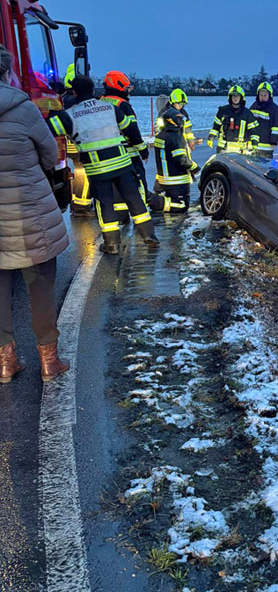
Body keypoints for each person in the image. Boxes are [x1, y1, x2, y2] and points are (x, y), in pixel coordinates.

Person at [0, 45, 70, 383]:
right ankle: (49, 362)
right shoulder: (24, 109)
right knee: (40, 288)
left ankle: (6, 363)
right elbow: (49, 154)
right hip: (30, 216)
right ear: (7, 72)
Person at [48, 76, 159, 255]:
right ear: (93, 90)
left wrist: (55, 100)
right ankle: (149, 237)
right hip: (122, 163)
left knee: (105, 204)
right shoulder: (110, 108)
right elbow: (130, 129)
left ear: (74, 92)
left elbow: (47, 127)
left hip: (98, 169)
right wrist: (142, 150)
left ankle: (112, 244)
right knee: (134, 199)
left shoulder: (69, 115)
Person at [101, 71, 150, 215]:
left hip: (106, 153)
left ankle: (119, 215)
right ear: (120, 86)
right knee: (138, 184)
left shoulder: (100, 101)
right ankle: (141, 214)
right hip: (128, 153)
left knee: (112, 187)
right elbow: (132, 131)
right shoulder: (123, 105)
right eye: (127, 88)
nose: (128, 91)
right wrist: (143, 150)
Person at [62, 64, 93, 216]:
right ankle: (81, 206)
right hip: (77, 143)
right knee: (83, 172)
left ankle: (76, 202)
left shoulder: (63, 98)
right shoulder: (75, 101)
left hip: (67, 143)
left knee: (77, 172)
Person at [149, 108, 192, 213]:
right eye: (178, 118)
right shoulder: (175, 137)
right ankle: (151, 200)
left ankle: (155, 200)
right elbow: (180, 159)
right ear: (170, 120)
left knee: (171, 200)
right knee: (182, 206)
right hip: (176, 180)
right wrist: (194, 167)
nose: (181, 121)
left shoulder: (161, 136)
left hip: (163, 178)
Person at [208, 85, 259, 153]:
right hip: (223, 149)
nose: (235, 98)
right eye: (233, 96)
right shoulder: (222, 111)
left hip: (241, 150)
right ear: (230, 97)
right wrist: (211, 137)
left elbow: (254, 131)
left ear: (241, 97)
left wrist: (254, 143)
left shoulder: (248, 114)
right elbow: (216, 127)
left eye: (237, 96)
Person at [166, 88, 200, 176]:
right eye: (179, 104)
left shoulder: (183, 113)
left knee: (184, 162)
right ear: (172, 102)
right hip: (171, 144)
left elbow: (188, 128)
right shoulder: (165, 113)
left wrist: (191, 141)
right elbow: (159, 129)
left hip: (182, 143)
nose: (181, 106)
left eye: (182, 104)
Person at [249, 81, 278, 158]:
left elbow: (276, 127)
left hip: (266, 146)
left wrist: (273, 141)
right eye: (261, 95)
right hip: (253, 145)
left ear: (270, 95)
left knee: (266, 164)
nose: (263, 97)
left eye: (265, 95)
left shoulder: (275, 109)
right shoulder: (254, 106)